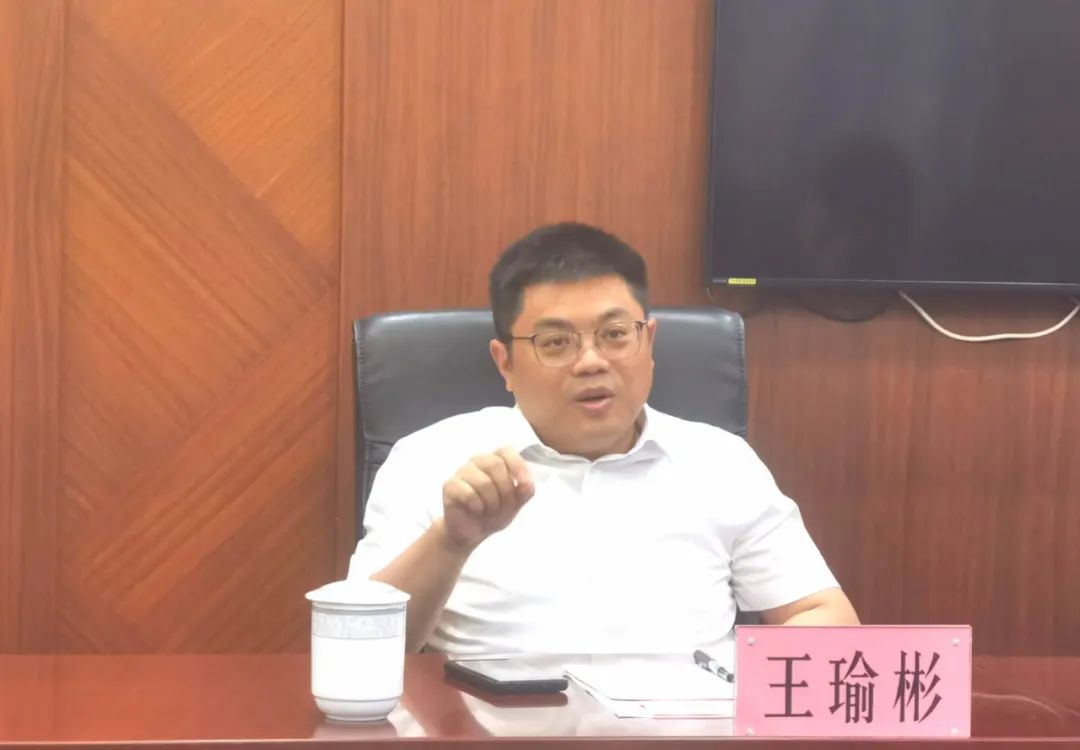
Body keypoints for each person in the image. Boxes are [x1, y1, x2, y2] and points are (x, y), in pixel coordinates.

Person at [348, 222, 859, 655]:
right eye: (556, 342)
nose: (591, 362)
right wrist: (450, 541)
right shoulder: (429, 459)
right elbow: (360, 647)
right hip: (495, 727)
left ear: (649, 342)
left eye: (615, 335)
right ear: (505, 364)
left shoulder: (721, 462)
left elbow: (825, 614)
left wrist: (730, 689)